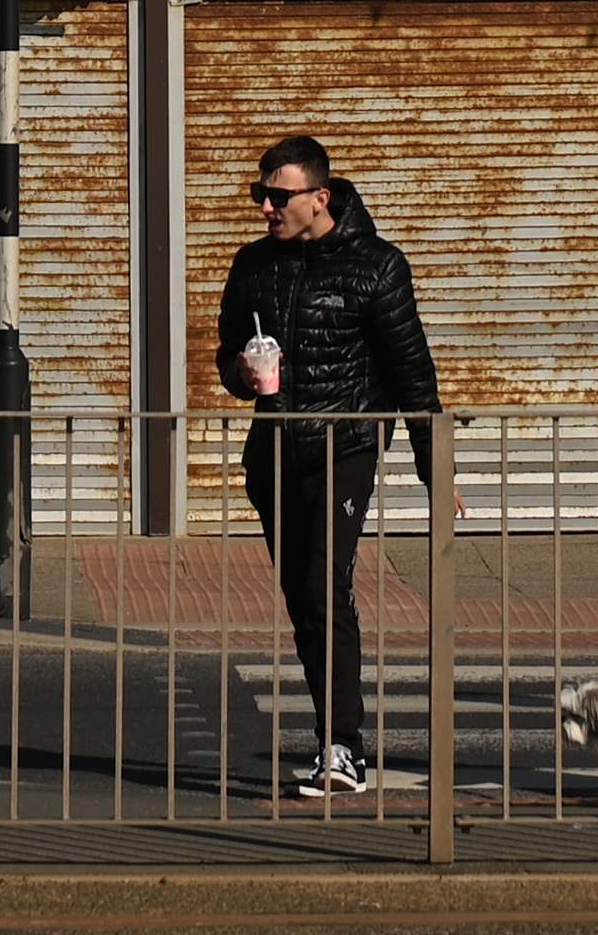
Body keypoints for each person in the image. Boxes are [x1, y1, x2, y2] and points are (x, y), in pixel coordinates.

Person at [213, 133, 453, 799]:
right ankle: (334, 738)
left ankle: (343, 746)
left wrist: (439, 478)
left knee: (325, 585)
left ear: (320, 197)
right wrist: (243, 369)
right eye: (259, 195)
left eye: (278, 195)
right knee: (302, 599)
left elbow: (413, 376)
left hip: (344, 447)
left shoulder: (377, 265)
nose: (265, 207)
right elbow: (228, 356)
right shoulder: (254, 264)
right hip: (274, 451)